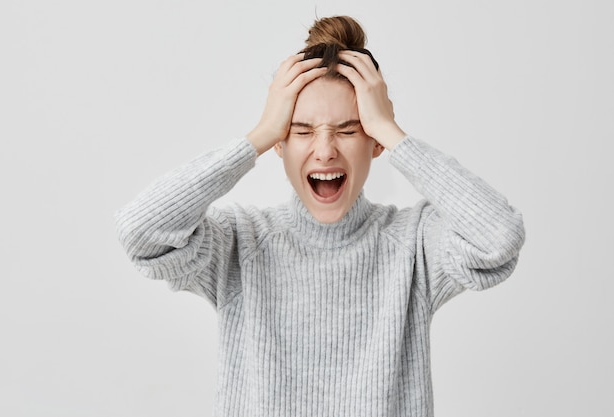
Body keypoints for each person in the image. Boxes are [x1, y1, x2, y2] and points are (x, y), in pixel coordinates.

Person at [115, 15, 525, 417]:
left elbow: (498, 237)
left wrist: (392, 130)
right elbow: (142, 231)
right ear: (280, 142)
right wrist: (257, 137)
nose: (325, 150)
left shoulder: (413, 245)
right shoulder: (240, 242)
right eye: (302, 131)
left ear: (375, 143)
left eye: (348, 130)